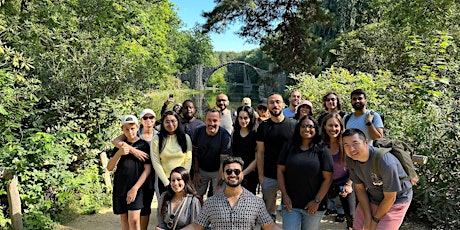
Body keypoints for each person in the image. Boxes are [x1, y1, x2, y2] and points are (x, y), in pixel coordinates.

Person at [182, 157, 281, 230]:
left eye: (237, 171)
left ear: (242, 175)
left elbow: (270, 226)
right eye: (229, 171)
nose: (233, 174)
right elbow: (196, 226)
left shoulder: (256, 202)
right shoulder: (211, 203)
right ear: (223, 175)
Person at [342, 128, 413, 230]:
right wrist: (367, 217)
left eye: (355, 144)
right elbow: (360, 189)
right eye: (346, 145)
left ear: (366, 142)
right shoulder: (351, 160)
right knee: (358, 227)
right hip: (374, 195)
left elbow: (390, 198)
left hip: (397, 199)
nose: (351, 149)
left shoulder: (386, 163)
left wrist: (374, 221)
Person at [277, 115, 333, 230]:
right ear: (298, 129)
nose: (307, 129)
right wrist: (285, 195)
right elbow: (280, 170)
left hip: (314, 205)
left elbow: (328, 178)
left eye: (310, 126)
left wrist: (316, 201)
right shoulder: (288, 146)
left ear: (316, 129)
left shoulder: (323, 150)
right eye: (303, 126)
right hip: (291, 204)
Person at [112, 109, 157, 230]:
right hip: (121, 185)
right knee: (124, 219)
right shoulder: (120, 145)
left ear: (137, 127)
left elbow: (147, 169)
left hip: (138, 185)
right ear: (122, 129)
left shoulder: (144, 145)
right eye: (126, 129)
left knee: (134, 219)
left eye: (132, 128)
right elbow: (110, 167)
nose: (130, 131)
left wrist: (135, 188)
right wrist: (119, 153)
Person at [256, 93, 297, 220]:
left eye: (278, 102)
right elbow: (260, 153)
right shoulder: (263, 127)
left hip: (290, 176)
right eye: (272, 102)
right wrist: (261, 177)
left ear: (284, 104)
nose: (275, 105)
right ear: (268, 106)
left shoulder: (294, 125)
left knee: (290, 210)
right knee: (266, 213)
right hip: (269, 175)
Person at [321, 113, 355, 230]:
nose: (333, 129)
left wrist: (349, 184)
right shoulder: (320, 144)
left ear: (341, 127)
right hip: (325, 181)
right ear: (324, 126)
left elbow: (354, 166)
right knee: (314, 209)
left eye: (336, 126)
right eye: (330, 125)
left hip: (344, 180)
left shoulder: (345, 143)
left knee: (351, 214)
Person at [192, 108, 231, 197]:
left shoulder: (225, 136)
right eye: (209, 120)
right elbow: (195, 154)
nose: (212, 124)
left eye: (215, 121)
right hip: (201, 169)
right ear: (205, 120)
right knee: (197, 196)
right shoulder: (198, 131)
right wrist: (196, 173)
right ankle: (200, 211)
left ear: (219, 121)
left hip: (218, 171)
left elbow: (223, 161)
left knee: (218, 197)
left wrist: (220, 182)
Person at [151, 111, 192, 195]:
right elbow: (156, 162)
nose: (170, 124)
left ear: (178, 121)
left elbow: (188, 159)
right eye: (167, 121)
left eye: (173, 121)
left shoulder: (185, 138)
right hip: (164, 182)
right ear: (162, 123)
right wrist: (166, 182)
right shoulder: (157, 139)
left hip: (182, 181)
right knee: (165, 207)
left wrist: (182, 178)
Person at [232, 105, 258, 194]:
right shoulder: (235, 134)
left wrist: (243, 173)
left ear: (251, 118)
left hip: (251, 174)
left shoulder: (255, 134)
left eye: (246, 118)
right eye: (241, 118)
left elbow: (257, 158)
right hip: (235, 173)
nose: (243, 121)